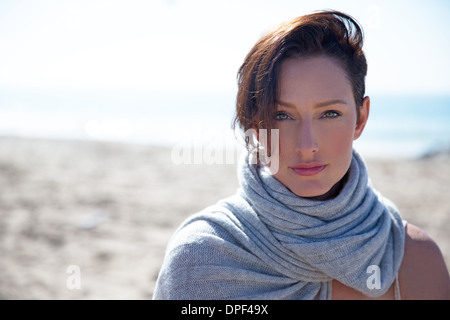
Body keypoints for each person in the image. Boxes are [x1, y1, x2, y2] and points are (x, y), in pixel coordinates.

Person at [153, 10, 450, 300]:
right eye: (282, 115)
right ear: (257, 128)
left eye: (330, 113)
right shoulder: (201, 258)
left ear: (361, 119)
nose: (307, 146)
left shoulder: (414, 260)